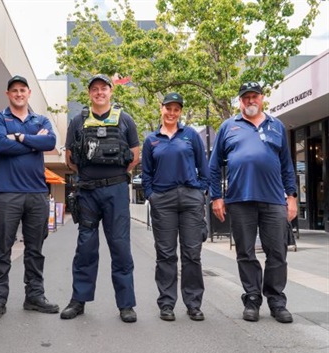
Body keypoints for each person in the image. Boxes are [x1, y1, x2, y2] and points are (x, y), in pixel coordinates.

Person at [209, 81, 298, 323]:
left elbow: (287, 166)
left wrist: (292, 197)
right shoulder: (228, 127)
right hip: (239, 201)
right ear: (240, 101)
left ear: (262, 98)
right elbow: (214, 166)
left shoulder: (276, 126)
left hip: (273, 201)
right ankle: (251, 298)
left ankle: (277, 301)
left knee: (277, 252)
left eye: (254, 96)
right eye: (246, 97)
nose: (250, 101)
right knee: (245, 253)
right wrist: (216, 197)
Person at [62, 74, 140, 323]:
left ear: (110, 92)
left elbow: (135, 156)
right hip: (87, 192)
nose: (99, 93)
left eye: (103, 88)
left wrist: (114, 177)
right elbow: (70, 159)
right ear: (90, 93)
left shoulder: (125, 119)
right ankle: (78, 301)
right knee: (85, 247)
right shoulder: (78, 121)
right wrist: (90, 177)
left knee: (120, 247)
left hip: (116, 192)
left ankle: (126, 304)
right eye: (94, 89)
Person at [0, 75, 59, 321]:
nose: (18, 94)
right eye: (14, 90)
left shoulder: (41, 119)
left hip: (37, 194)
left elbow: (50, 142)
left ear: (29, 93)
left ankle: (34, 297)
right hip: (7, 194)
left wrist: (19, 137)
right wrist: (33, 142)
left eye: (22, 90)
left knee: (35, 250)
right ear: (8, 94)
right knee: (2, 249)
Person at [142, 92, 209, 322]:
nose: (172, 113)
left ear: (180, 112)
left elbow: (204, 166)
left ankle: (193, 304)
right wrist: (152, 196)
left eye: (176, 109)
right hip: (164, 201)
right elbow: (146, 173)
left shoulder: (190, 135)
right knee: (166, 255)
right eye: (168, 108)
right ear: (161, 109)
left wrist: (200, 191)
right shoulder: (151, 139)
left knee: (192, 254)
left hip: (190, 199)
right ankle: (167, 303)